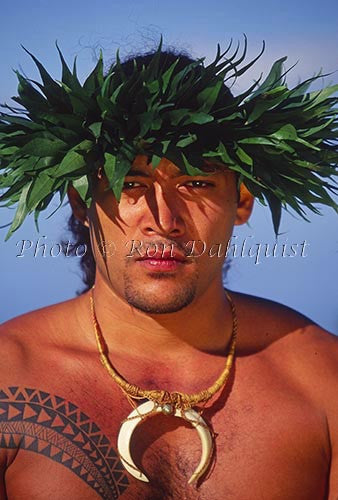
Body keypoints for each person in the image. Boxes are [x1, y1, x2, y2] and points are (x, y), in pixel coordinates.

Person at [0, 41, 337, 499]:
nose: (164, 218)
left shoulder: (321, 381)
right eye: (131, 182)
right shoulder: (9, 376)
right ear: (81, 201)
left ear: (241, 201)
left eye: (195, 182)